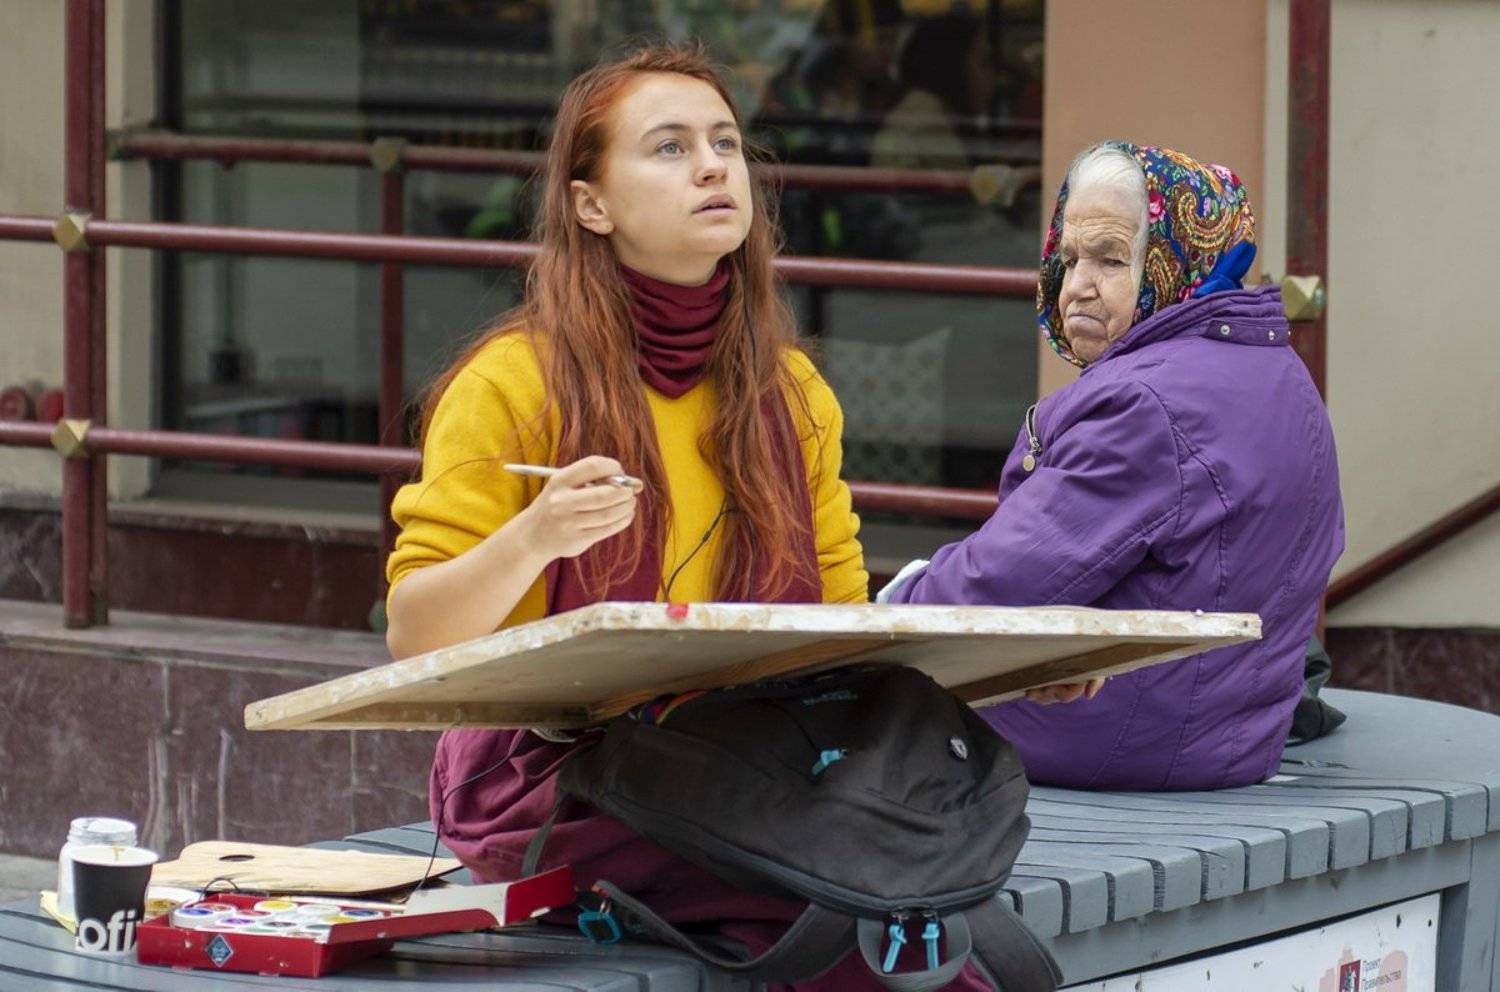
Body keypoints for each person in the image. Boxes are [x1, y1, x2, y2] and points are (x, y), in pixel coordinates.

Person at [384, 43, 989, 991]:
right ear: (591, 205)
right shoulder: (508, 383)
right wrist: (536, 536)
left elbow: (839, 625)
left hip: (753, 757)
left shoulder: (792, 390)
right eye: (669, 148)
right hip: (548, 780)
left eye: (725, 143)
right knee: (851, 898)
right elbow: (415, 639)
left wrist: (1014, 675)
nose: (712, 167)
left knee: (919, 858)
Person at [883, 141, 1344, 791]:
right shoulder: (1277, 369)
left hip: (1114, 737)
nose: (1076, 286)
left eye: (1110, 259)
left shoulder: (1146, 403)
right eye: (1069, 258)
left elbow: (1002, 584)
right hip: (1231, 737)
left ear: (1177, 260)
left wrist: (897, 605)